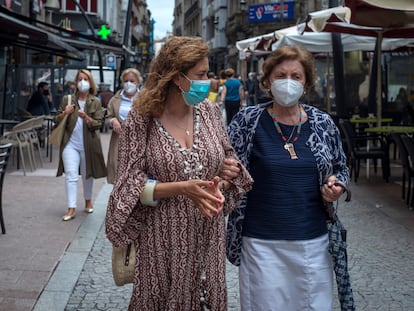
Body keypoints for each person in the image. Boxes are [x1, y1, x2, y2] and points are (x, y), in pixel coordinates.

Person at [105, 36, 252, 310]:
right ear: (176, 77)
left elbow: (227, 156)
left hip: (207, 235)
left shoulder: (209, 111)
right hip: (161, 237)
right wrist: (182, 188)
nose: (206, 81)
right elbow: (128, 186)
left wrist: (228, 173)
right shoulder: (142, 118)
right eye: (201, 74)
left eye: (207, 73)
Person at [226, 45, 353, 310]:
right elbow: (225, 166)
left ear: (306, 83)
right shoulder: (247, 121)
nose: (288, 82)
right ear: (267, 80)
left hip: (313, 242)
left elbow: (341, 167)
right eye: (280, 75)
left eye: (296, 76)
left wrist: (336, 186)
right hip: (261, 243)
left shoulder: (322, 123)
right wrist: (226, 172)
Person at [54, 69, 107, 221]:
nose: (82, 82)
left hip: (88, 144)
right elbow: (56, 119)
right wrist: (65, 112)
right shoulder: (68, 99)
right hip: (70, 144)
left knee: (87, 174)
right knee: (71, 175)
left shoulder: (95, 101)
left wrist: (86, 118)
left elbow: (98, 124)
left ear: (90, 83)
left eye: (86, 79)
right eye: (80, 79)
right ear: (76, 83)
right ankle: (71, 208)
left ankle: (88, 200)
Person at [105, 67, 143, 184]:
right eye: (126, 81)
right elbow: (107, 118)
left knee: (136, 177)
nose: (128, 84)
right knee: (118, 175)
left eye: (132, 81)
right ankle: (119, 200)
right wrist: (113, 120)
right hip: (119, 141)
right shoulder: (115, 99)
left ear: (138, 82)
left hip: (138, 142)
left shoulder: (145, 99)